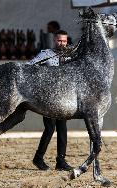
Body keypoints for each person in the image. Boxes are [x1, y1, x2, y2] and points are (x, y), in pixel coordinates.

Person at [27, 30, 73, 171]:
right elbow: (29, 66)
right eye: (59, 41)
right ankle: (38, 158)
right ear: (54, 40)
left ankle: (61, 161)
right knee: (50, 128)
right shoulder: (46, 54)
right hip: (49, 98)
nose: (62, 43)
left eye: (64, 41)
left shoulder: (70, 56)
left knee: (62, 129)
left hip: (64, 97)